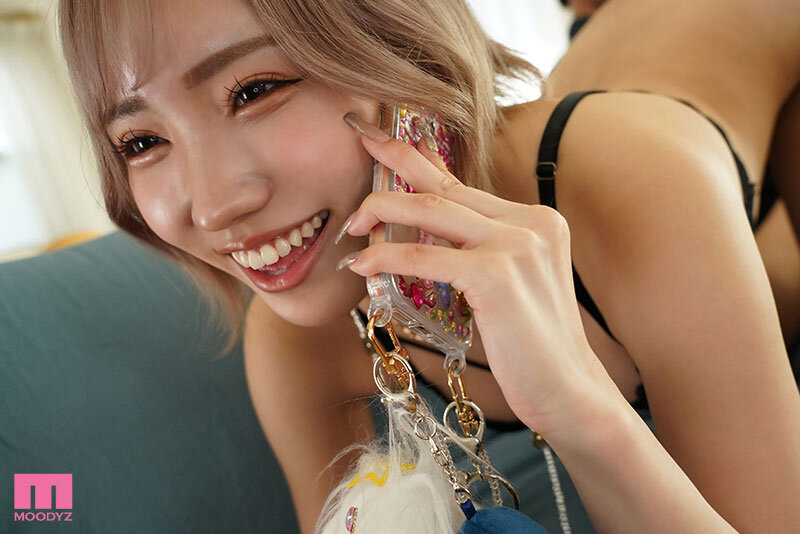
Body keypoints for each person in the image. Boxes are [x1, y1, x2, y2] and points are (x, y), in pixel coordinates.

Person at [56, 0, 800, 532]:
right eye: (141, 142)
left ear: (400, 51)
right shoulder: (295, 345)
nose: (215, 206)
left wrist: (577, 406)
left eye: (254, 91)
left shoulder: (632, 180)